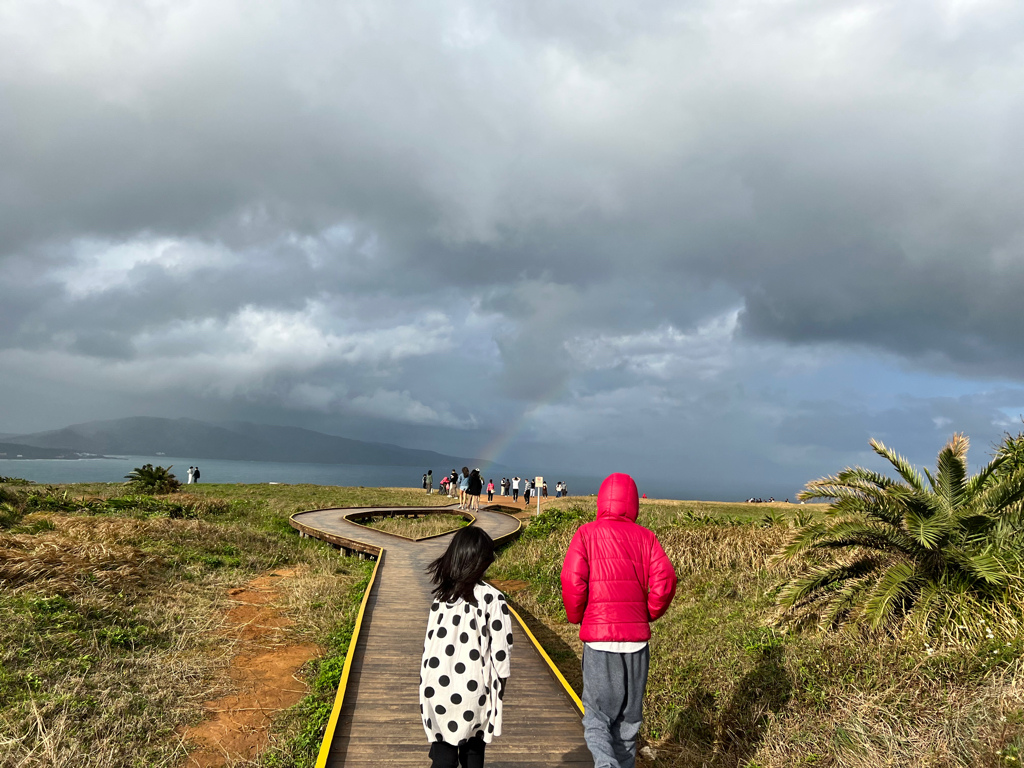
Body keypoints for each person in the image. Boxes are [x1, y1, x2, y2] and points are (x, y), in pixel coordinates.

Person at [560, 473, 677, 768]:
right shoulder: (647, 537)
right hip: (636, 644)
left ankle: (605, 765)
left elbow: (573, 580)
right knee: (629, 722)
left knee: (597, 717)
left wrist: (577, 617)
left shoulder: (586, 534)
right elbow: (666, 580)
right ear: (634, 502)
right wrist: (646, 614)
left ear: (602, 500)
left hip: (599, 642)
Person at [421, 526, 514, 768]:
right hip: (473, 690)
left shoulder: (442, 596)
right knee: (472, 754)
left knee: (443, 755)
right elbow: (501, 653)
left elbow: (429, 644)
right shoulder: (492, 598)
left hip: (436, 687)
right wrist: (500, 683)